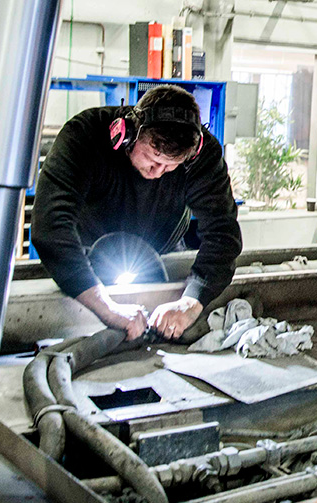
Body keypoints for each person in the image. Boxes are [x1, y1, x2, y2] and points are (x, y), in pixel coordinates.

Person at [31, 85, 242, 342]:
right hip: (86, 254)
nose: (158, 171)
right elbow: (50, 225)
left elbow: (223, 233)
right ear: (126, 134)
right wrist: (105, 307)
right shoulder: (85, 135)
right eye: (153, 158)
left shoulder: (202, 154)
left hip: (161, 252)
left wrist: (191, 301)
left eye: (171, 166)